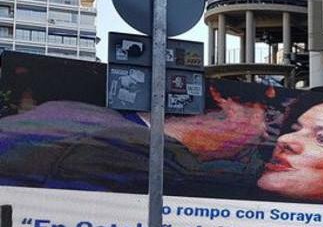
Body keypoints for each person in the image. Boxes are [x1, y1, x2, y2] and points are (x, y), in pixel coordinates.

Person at [0, 83, 269, 197]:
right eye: (263, 121)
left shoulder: (69, 110)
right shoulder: (137, 151)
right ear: (225, 103)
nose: (265, 136)